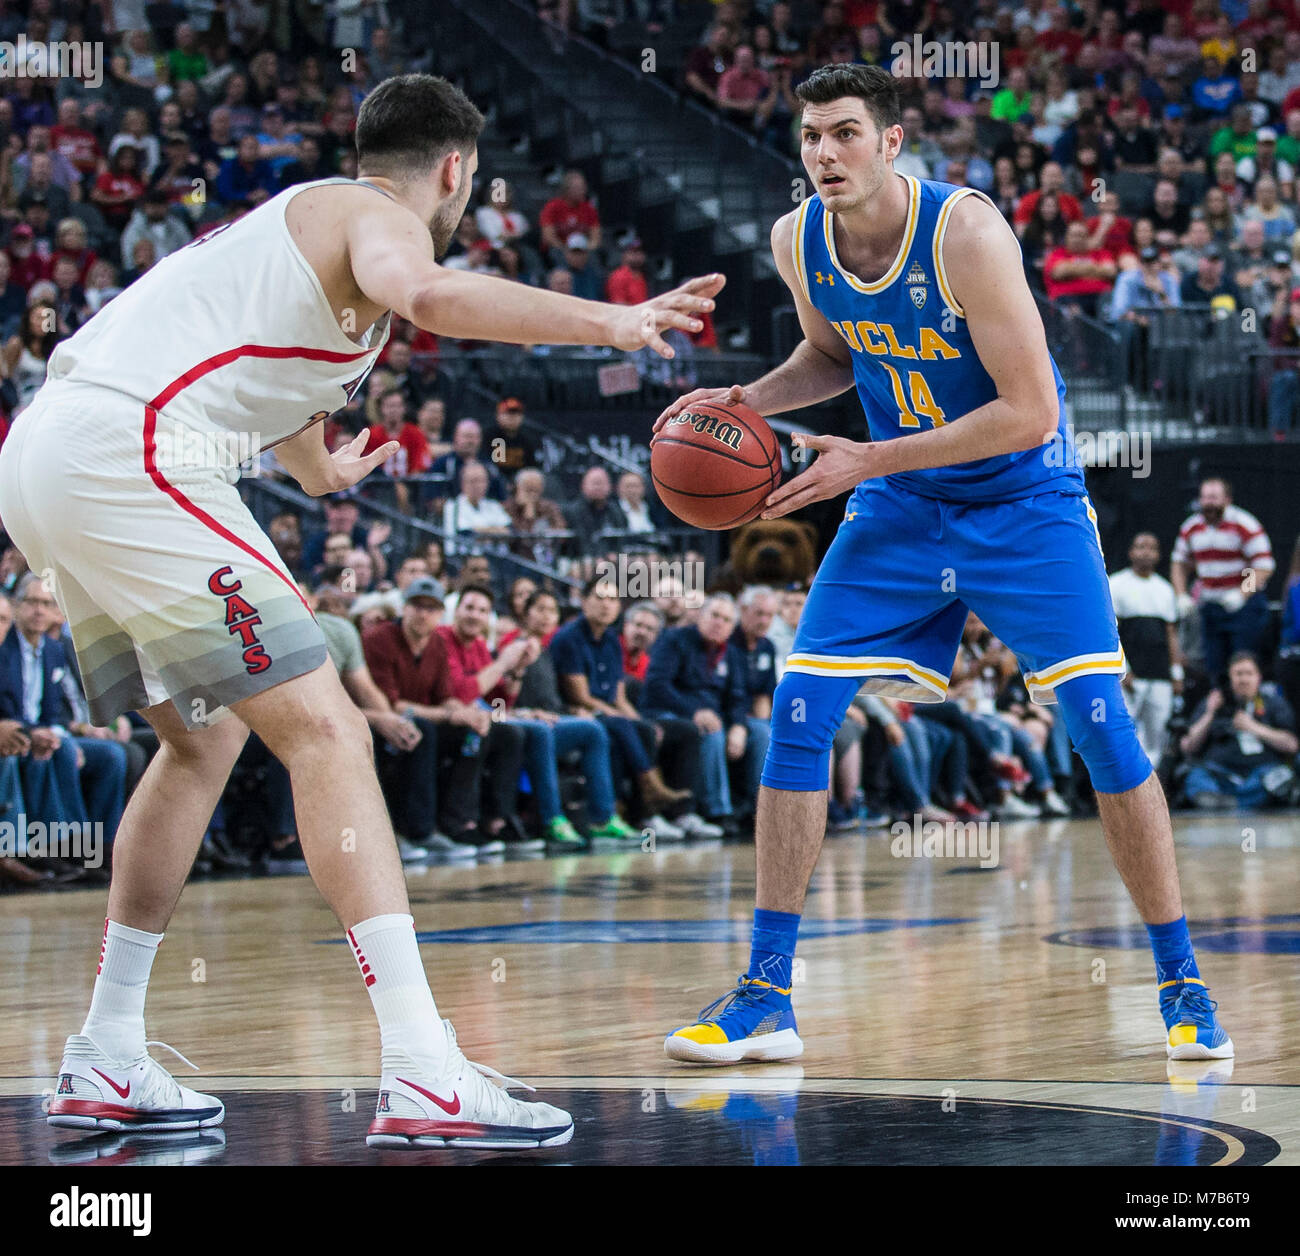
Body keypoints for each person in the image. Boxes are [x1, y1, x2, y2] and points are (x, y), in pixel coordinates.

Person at [0, 73, 720, 1148]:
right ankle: (423, 1066)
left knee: (200, 745)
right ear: (454, 169)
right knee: (328, 727)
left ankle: (107, 1050)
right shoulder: (375, 218)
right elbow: (432, 298)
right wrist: (608, 322)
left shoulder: (302, 245)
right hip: (133, 450)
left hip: (50, 457)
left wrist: (320, 470)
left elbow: (281, 397)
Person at [654, 63, 1231, 1067]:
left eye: (844, 133)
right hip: (904, 503)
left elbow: (1030, 409)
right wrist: (745, 403)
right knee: (797, 709)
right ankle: (765, 993)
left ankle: (1181, 980)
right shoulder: (799, 239)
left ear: (890, 141)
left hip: (1023, 499)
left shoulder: (964, 233)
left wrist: (866, 455)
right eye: (810, 139)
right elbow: (834, 356)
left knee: (1099, 724)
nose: (824, 154)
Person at [1171, 477, 1275, 685]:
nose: (1208, 503)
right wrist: (1181, 594)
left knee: (1243, 661)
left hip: (1243, 607)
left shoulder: (1244, 524)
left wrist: (1241, 593)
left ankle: (1248, 709)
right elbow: (1179, 563)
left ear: (1227, 499)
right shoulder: (1191, 527)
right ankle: (1218, 709)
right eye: (1204, 498)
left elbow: (1264, 566)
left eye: (1214, 498)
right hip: (1210, 606)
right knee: (1213, 666)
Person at [1179, 652, 1297, 809]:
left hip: (1262, 774)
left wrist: (1253, 727)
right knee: (1194, 776)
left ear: (1258, 677)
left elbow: (1292, 745)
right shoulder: (1214, 702)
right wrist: (1209, 714)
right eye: (1238, 674)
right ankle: (1229, 802)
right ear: (1230, 678)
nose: (1244, 679)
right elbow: (1188, 747)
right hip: (1219, 774)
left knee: (1282, 777)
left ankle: (1232, 803)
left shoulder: (1273, 703)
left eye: (1249, 673)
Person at [1110, 534, 1184, 766]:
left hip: (1160, 675)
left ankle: (1154, 787)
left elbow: (1171, 633)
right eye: (1140, 547)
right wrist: (1124, 669)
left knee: (1158, 736)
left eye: (1152, 548)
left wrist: (1177, 672)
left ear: (1159, 554)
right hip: (1130, 676)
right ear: (1131, 552)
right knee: (1126, 734)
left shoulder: (1165, 589)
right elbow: (1111, 632)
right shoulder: (1116, 584)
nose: (1146, 552)